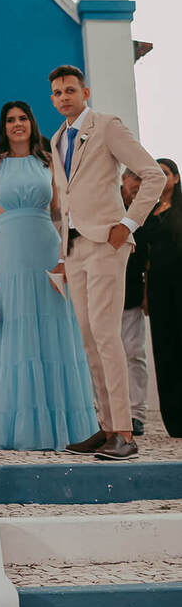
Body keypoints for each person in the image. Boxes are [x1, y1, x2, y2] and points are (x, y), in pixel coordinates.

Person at [49, 65, 164, 460]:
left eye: (69, 90)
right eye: (57, 93)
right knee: (87, 338)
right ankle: (107, 427)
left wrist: (128, 223)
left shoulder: (106, 125)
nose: (64, 97)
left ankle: (126, 434)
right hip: (76, 247)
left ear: (85, 91)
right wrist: (62, 252)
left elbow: (153, 175)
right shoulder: (57, 138)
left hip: (107, 243)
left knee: (106, 334)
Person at [0, 101, 98, 450]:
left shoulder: (50, 160)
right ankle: (25, 429)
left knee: (56, 329)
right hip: (9, 253)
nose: (18, 124)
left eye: (23, 118)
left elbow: (62, 213)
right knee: (16, 331)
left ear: (32, 123)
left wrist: (66, 255)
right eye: (11, 120)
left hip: (47, 248)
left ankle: (68, 426)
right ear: (4, 126)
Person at [143, 158, 182, 437]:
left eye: (165, 172)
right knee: (165, 348)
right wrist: (145, 294)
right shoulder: (149, 211)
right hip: (157, 286)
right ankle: (175, 419)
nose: (160, 176)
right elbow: (145, 258)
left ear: (176, 178)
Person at [121, 169, 149, 436]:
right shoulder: (109, 204)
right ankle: (104, 412)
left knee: (133, 352)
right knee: (99, 352)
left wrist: (145, 294)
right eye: (136, 179)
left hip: (131, 293)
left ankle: (136, 413)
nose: (139, 185)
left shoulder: (146, 211)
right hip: (104, 288)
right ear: (123, 180)